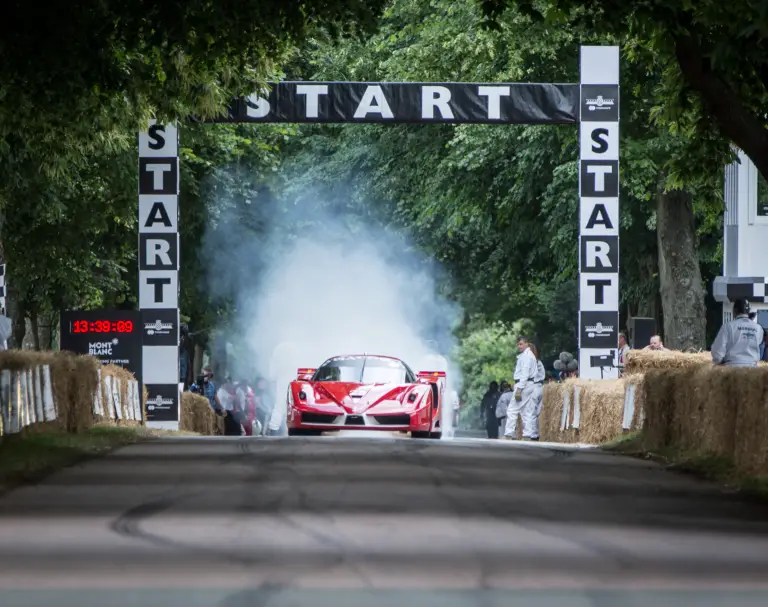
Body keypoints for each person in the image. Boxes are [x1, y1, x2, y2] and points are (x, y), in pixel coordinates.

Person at [711, 298, 764, 367]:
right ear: (748, 311)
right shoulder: (758, 328)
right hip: (752, 369)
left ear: (735, 310)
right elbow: (759, 345)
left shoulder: (728, 326)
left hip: (732, 368)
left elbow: (718, 350)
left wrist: (718, 362)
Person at [504, 336, 537, 440]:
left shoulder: (527, 356)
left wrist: (519, 388)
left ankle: (509, 434)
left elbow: (525, 373)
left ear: (527, 344)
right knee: (526, 410)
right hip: (528, 384)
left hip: (524, 384)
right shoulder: (529, 355)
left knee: (512, 409)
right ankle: (527, 435)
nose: (519, 346)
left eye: (521, 344)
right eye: (518, 344)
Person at [528, 344, 545, 442]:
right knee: (538, 412)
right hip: (540, 387)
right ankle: (537, 433)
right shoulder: (539, 362)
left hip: (532, 388)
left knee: (531, 412)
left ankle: (533, 434)